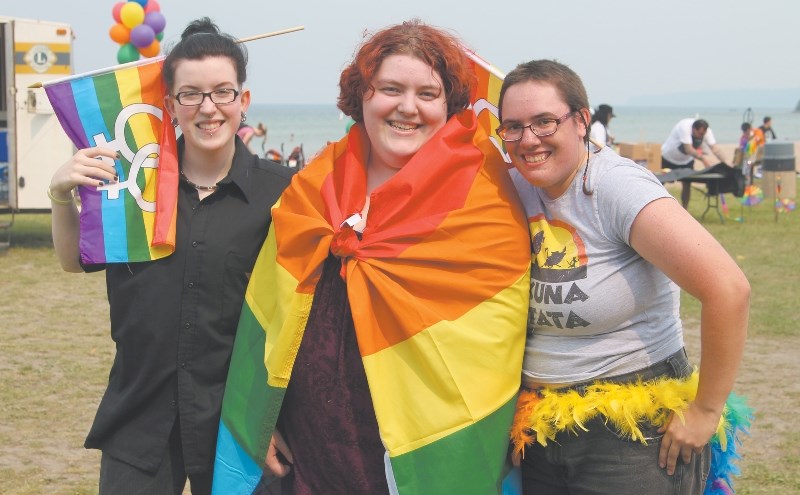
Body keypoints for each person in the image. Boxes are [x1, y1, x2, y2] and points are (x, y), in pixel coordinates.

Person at [212, 19, 531, 495]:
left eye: (428, 93)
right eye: (390, 88)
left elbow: (494, 346)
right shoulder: (315, 184)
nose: (408, 107)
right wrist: (262, 416)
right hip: (311, 451)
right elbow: (271, 313)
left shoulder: (486, 195)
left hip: (426, 451)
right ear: (361, 95)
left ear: (450, 105)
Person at [47, 18, 293, 494]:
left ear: (243, 101)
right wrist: (60, 195)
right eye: (191, 94)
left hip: (238, 422)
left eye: (223, 92)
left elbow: (298, 311)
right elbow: (74, 260)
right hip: (140, 416)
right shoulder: (130, 184)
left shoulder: (282, 194)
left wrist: (273, 416)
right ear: (170, 104)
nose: (208, 108)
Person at [495, 59, 750, 495]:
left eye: (544, 122)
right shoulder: (514, 186)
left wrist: (707, 410)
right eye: (513, 127)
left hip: (631, 435)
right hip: (540, 429)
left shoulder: (616, 188)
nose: (528, 139)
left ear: (581, 121)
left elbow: (728, 289)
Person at [660, 118, 728, 208]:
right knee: (659, 183)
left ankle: (685, 209)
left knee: (687, 184)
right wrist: (703, 159)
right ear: (693, 129)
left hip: (686, 161)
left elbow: (715, 149)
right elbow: (688, 149)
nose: (701, 136)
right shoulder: (684, 127)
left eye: (703, 134)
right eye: (700, 134)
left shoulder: (707, 132)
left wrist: (726, 163)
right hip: (668, 158)